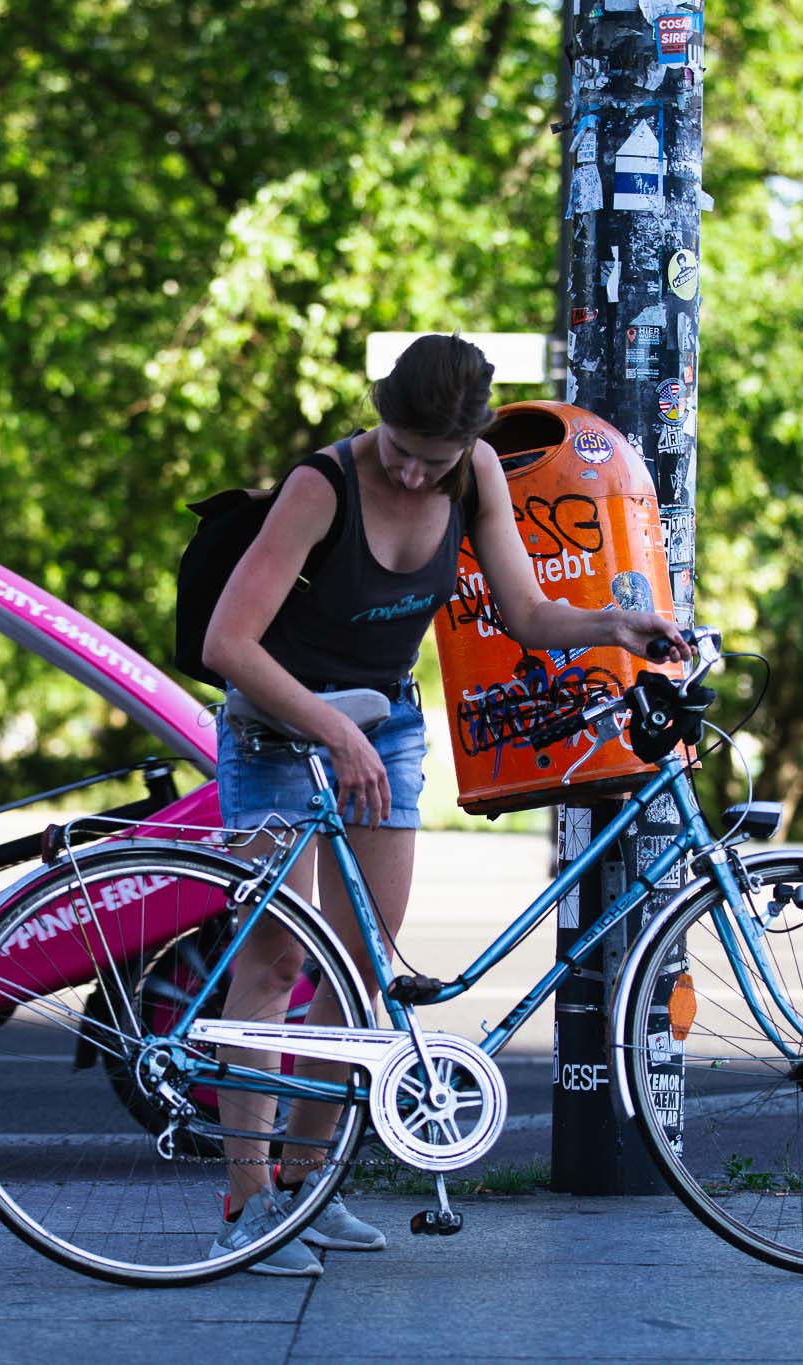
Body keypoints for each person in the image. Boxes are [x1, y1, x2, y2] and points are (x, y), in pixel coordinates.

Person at [199, 334, 686, 1275]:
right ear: (379, 411)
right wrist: (329, 732)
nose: (414, 469)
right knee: (276, 960)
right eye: (398, 444)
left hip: (384, 727)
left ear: (469, 443)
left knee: (362, 964)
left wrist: (614, 624)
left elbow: (527, 613)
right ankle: (247, 1206)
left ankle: (307, 1186)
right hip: (275, 726)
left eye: (436, 455)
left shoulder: (475, 478)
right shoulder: (322, 487)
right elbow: (230, 641)